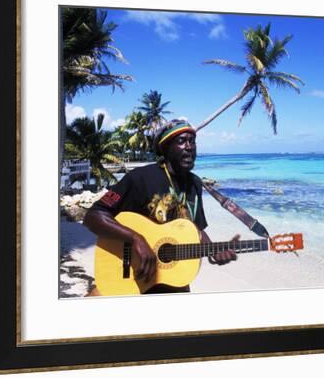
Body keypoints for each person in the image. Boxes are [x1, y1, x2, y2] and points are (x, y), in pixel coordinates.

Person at [83, 119, 239, 294]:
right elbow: (93, 216)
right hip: (135, 280)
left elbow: (196, 230)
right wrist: (136, 239)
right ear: (166, 148)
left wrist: (213, 250)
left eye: (192, 141)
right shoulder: (140, 178)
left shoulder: (195, 183)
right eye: (181, 141)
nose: (189, 146)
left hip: (175, 283)